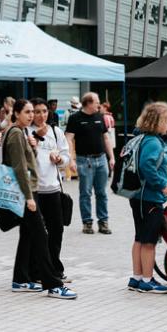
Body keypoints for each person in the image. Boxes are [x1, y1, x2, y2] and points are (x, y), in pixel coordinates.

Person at [2, 99, 77, 299]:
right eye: (28, 112)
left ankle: (20, 279)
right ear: (17, 113)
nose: (32, 116)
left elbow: (28, 160)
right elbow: (20, 168)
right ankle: (52, 283)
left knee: (29, 234)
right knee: (41, 237)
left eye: (33, 112)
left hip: (39, 190)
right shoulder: (17, 133)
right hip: (29, 192)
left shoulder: (23, 133)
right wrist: (29, 197)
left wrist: (34, 144)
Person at [126, 102, 167, 294]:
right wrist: (163, 185)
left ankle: (136, 278)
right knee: (149, 240)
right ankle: (147, 280)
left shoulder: (142, 138)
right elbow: (147, 165)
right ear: (158, 121)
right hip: (150, 197)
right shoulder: (153, 141)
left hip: (137, 196)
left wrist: (166, 168)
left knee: (139, 237)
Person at [31, 98, 72, 281]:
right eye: (37, 111)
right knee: (37, 233)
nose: (41, 115)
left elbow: (66, 156)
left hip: (53, 188)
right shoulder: (28, 132)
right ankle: (37, 270)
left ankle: (55, 267)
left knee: (57, 230)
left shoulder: (56, 132)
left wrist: (60, 160)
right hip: (35, 190)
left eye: (44, 111)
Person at [65, 92, 115, 234]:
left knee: (102, 193)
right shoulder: (75, 118)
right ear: (88, 103)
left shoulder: (100, 117)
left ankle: (103, 222)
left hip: (101, 160)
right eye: (97, 102)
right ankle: (87, 222)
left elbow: (106, 138)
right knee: (85, 193)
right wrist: (71, 159)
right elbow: (68, 138)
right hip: (83, 160)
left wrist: (111, 157)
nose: (99, 104)